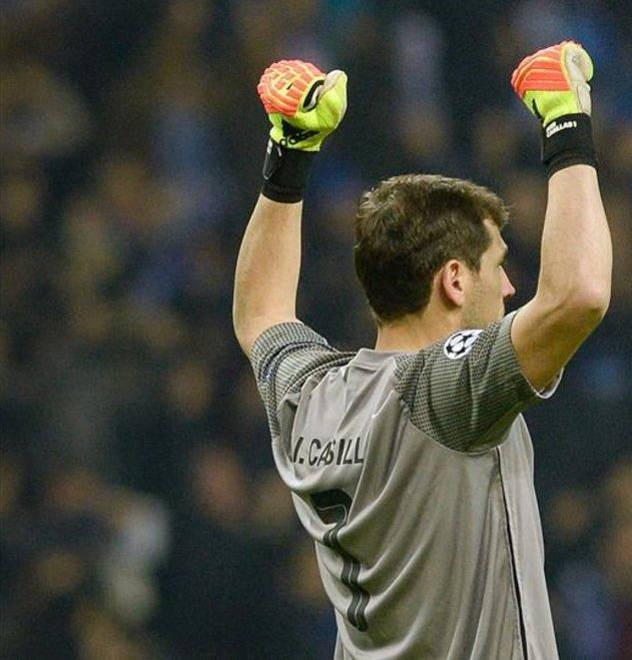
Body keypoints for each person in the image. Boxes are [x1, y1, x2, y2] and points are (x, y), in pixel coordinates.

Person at [231, 42, 611, 659]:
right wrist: (567, 125)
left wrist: (289, 155)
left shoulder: (311, 395)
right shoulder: (444, 392)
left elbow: (260, 314)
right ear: (454, 280)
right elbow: (579, 296)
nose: (512, 286)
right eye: (500, 266)